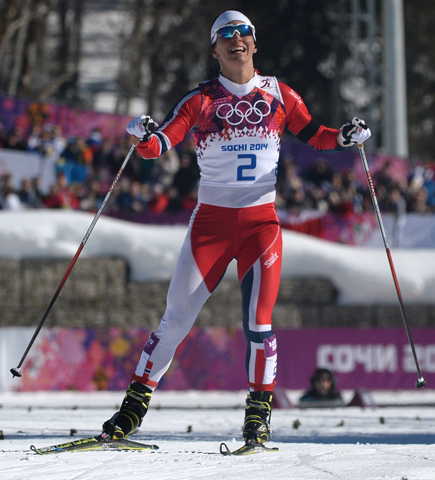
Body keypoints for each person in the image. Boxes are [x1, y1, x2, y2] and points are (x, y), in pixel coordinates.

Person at [101, 10, 371, 450]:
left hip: (261, 225)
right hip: (211, 225)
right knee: (175, 319)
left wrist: (345, 136)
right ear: (215, 50)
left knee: (259, 323)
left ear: (254, 44)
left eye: (243, 32)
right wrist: (141, 136)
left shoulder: (279, 93)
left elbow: (315, 134)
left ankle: (258, 419)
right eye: (225, 34)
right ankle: (130, 412)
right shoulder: (200, 100)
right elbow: (159, 144)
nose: (235, 39)